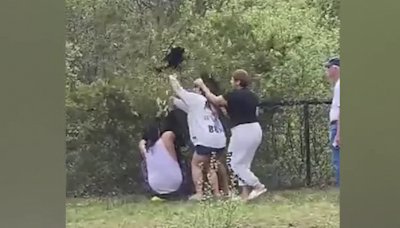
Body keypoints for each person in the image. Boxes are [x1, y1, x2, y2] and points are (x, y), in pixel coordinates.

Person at [194, 69, 267, 201]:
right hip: (255, 130)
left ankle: (257, 185)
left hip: (242, 131)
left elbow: (215, 100)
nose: (231, 81)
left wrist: (203, 86)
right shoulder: (252, 96)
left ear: (238, 82)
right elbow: (234, 113)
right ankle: (244, 195)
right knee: (244, 164)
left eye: (233, 79)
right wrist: (224, 109)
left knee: (232, 163)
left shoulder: (233, 95)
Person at [168, 74, 227, 200]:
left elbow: (179, 90)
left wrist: (171, 78)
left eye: (195, 88)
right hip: (219, 140)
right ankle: (216, 193)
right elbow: (185, 107)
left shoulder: (196, 99)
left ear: (199, 90)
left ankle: (199, 193)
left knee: (196, 164)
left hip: (205, 140)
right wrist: (172, 100)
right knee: (210, 166)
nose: (193, 90)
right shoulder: (209, 104)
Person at [138, 123, 184, 201]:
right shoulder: (166, 140)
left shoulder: (144, 147)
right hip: (175, 183)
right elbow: (170, 134)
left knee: (144, 164)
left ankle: (155, 194)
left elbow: (142, 142)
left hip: (156, 186)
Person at [324, 56, 340, 187]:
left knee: (338, 161)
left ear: (335, 69)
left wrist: (339, 134)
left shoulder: (340, 85)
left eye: (328, 68)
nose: (326, 71)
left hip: (338, 126)